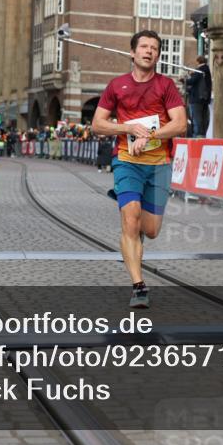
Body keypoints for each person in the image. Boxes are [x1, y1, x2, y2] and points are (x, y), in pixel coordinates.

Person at [92, 30, 187, 309]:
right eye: (143, 47)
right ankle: (139, 285)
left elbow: (181, 124)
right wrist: (128, 127)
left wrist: (151, 136)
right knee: (130, 219)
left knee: (151, 229)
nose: (149, 51)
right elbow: (98, 124)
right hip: (127, 161)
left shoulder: (166, 86)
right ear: (132, 53)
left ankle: (134, 217)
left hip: (158, 165)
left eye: (154, 48)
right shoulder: (116, 85)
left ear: (158, 55)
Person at [184, 55, 212, 137]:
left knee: (197, 119)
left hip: (197, 99)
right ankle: (201, 135)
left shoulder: (201, 70)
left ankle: (197, 135)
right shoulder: (206, 70)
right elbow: (197, 84)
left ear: (197, 61)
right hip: (203, 99)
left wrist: (184, 80)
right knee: (202, 119)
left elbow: (192, 81)